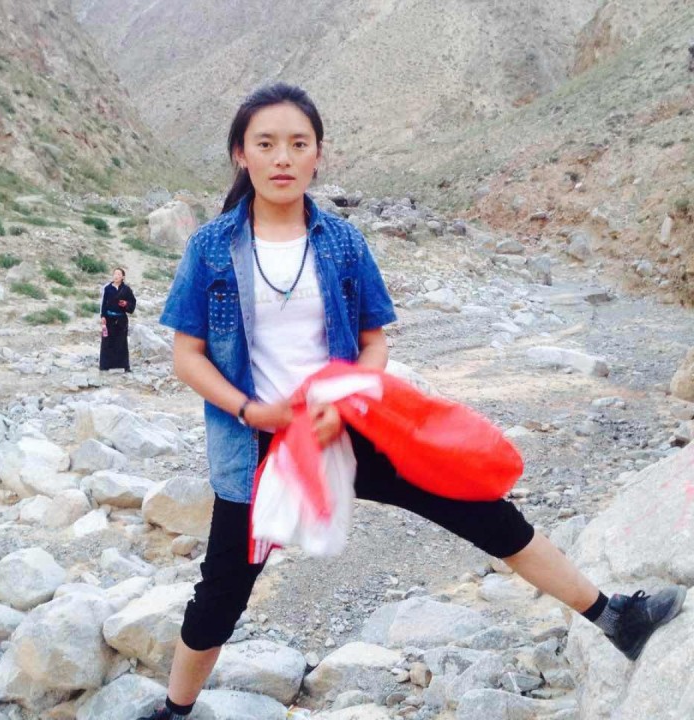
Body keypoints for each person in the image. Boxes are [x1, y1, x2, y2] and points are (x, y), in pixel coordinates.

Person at [144, 83, 686, 720]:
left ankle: (615, 618)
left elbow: (373, 343)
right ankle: (175, 711)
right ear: (241, 153)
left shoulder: (342, 241)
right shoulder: (211, 246)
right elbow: (188, 355)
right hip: (255, 442)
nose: (282, 157)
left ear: (319, 154)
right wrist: (251, 410)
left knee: (483, 510)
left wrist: (345, 400)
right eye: (266, 144)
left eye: (298, 143)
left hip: (348, 424)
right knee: (222, 592)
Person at [99, 267, 136, 372]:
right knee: (107, 341)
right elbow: (104, 303)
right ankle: (105, 366)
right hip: (109, 318)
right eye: (115, 274)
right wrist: (103, 316)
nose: (116, 276)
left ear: (123, 277)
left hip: (121, 319)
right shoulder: (107, 288)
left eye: (119, 274)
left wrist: (126, 304)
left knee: (121, 342)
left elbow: (132, 302)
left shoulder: (126, 289)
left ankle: (124, 366)